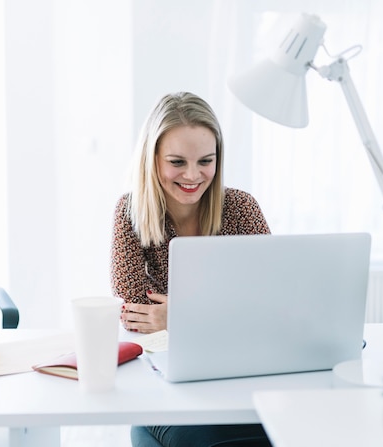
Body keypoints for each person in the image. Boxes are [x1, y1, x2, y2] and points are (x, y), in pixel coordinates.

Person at [110, 92, 272, 447]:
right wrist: (228, 309)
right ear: (152, 159)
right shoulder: (130, 213)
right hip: (166, 380)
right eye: (177, 162)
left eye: (205, 161)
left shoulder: (241, 208)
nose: (193, 175)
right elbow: (134, 314)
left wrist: (180, 315)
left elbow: (269, 302)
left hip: (237, 372)